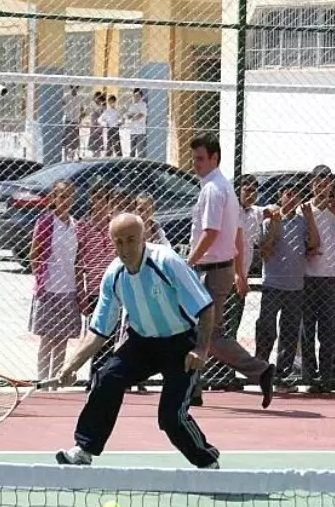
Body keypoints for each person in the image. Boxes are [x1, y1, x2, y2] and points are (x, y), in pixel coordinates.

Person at [54, 213, 221, 469]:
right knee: (107, 377)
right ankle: (84, 449)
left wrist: (201, 348)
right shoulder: (114, 275)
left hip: (181, 344)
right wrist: (71, 366)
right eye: (118, 242)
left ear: (143, 238)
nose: (125, 248)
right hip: (142, 342)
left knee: (170, 418)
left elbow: (206, 307)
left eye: (131, 240)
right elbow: (99, 329)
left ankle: (207, 461)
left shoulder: (167, 262)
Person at [186, 135, 274, 407]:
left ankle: (259, 371)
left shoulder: (214, 189)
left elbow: (211, 232)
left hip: (210, 271)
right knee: (203, 332)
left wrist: (189, 262)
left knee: (206, 333)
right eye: (194, 158)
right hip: (219, 270)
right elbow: (235, 235)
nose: (195, 164)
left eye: (201, 158)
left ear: (214, 158)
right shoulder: (225, 188)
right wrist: (238, 272)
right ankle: (194, 388)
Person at [254, 178, 319, 390]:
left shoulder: (301, 222)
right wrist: (273, 224)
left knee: (290, 332)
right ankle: (260, 371)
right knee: (266, 328)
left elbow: (314, 244)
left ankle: (282, 376)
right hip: (272, 284)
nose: (291, 199)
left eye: (295, 195)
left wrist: (309, 219)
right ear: (280, 195)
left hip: (295, 286)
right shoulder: (268, 221)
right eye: (287, 194)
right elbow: (265, 251)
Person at [300, 165, 335, 393]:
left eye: (326, 184)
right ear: (312, 185)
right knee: (307, 328)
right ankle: (309, 376)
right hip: (309, 275)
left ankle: (327, 376)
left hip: (330, 275)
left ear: (331, 185)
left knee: (328, 329)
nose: (322, 188)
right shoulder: (305, 210)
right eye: (318, 184)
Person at [28, 180, 81, 388]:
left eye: (69, 196)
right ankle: (41, 380)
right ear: (53, 199)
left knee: (62, 339)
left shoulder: (76, 225)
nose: (65, 200)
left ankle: (54, 380)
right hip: (49, 287)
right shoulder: (45, 222)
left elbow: (77, 259)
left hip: (69, 289)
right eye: (61, 196)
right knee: (47, 338)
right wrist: (40, 277)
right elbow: (34, 253)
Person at [78, 182, 121, 381]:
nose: (100, 204)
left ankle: (107, 377)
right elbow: (79, 261)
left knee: (114, 337)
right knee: (97, 334)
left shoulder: (116, 226)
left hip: (117, 289)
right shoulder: (83, 227)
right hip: (96, 289)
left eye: (104, 200)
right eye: (96, 200)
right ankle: (94, 378)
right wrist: (82, 292)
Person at [126, 88, 148, 158]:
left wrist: (133, 117)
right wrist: (133, 116)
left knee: (140, 151)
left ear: (141, 96)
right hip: (132, 131)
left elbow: (141, 115)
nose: (136, 97)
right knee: (132, 151)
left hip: (140, 131)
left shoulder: (143, 104)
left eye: (138, 95)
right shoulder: (132, 105)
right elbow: (128, 115)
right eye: (135, 95)